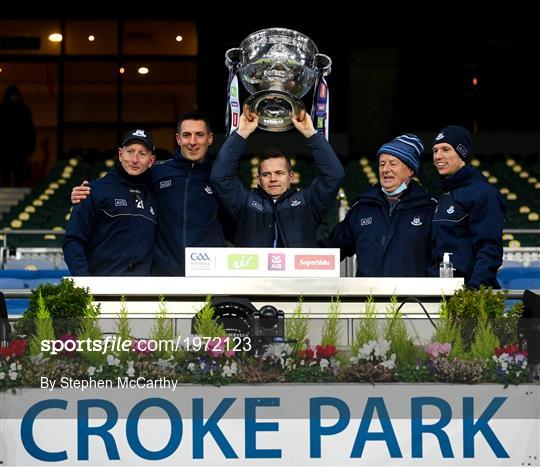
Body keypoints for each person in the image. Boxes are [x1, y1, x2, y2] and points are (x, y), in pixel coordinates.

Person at [71, 112, 227, 275]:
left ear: (209, 138)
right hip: (161, 279)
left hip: (206, 275)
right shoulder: (156, 173)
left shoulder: (219, 177)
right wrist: (84, 192)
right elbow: (121, 181)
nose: (192, 142)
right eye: (187, 135)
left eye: (199, 135)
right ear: (178, 139)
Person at [210, 104, 345, 247]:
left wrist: (311, 133)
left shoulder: (308, 203)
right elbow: (219, 177)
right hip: (253, 269)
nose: (273, 178)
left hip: (298, 270)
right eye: (266, 174)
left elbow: (334, 175)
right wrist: (241, 133)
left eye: (279, 173)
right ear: (259, 179)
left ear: (291, 176)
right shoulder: (245, 202)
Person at [325, 134, 435, 277]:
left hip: (411, 298)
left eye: (393, 163)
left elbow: (441, 260)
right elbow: (332, 249)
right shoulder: (362, 208)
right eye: (382, 164)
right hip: (368, 298)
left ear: (410, 171)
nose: (385, 169)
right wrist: (295, 257)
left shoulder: (429, 209)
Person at [63, 129, 157, 275]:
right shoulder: (92, 191)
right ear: (120, 154)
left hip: (142, 292)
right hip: (102, 290)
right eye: (130, 151)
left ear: (151, 161)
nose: (135, 159)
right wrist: (87, 284)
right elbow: (73, 241)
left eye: (142, 154)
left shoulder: (155, 195)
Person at [430, 125, 505, 288]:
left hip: (468, 298)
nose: (438, 156)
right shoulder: (443, 195)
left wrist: (473, 292)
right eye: (435, 151)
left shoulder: (483, 193)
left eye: (445, 149)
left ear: (461, 152)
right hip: (442, 293)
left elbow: (489, 249)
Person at [0, 85, 36, 186]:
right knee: (6, 176)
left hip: (18, 150)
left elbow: (29, 130)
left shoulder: (23, 110)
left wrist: (30, 147)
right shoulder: (4, 110)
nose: (14, 98)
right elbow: (30, 130)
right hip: (6, 150)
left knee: (18, 177)